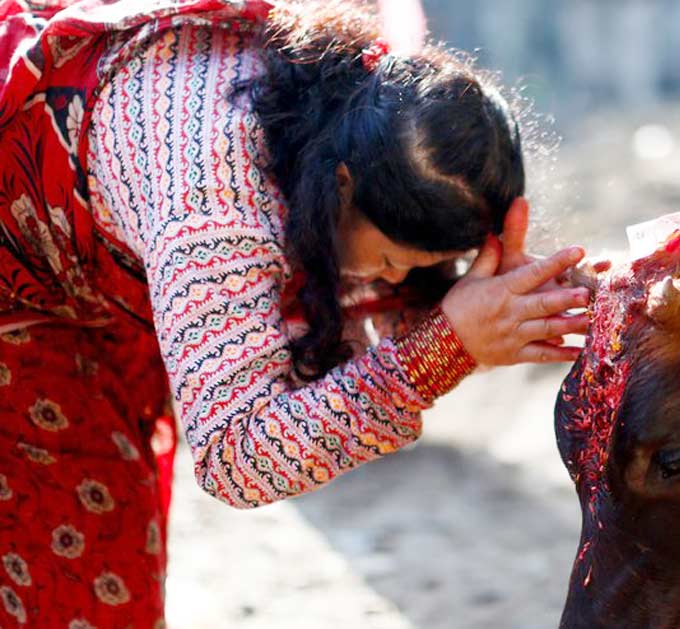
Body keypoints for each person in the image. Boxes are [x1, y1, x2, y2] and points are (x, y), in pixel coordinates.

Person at [0, 0, 588, 625]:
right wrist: (444, 348)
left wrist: (500, 308)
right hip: (21, 317)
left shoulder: (360, 105)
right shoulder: (215, 209)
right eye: (391, 259)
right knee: (70, 585)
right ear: (339, 184)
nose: (392, 281)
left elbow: (344, 318)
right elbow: (236, 456)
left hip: (90, 281)